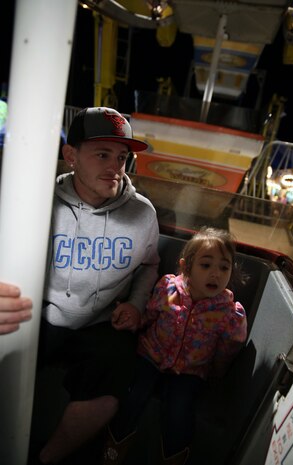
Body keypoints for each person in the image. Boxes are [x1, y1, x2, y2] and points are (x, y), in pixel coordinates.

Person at [1, 106, 160, 464]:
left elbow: (150, 265)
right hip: (36, 311)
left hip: (100, 321)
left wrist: (135, 303)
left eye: (122, 157)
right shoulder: (33, 204)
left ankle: (45, 459)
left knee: (116, 373)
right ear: (70, 155)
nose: (115, 167)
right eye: (102, 154)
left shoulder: (142, 214)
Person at [101, 227, 247, 465]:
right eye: (206, 265)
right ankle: (113, 448)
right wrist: (134, 323)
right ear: (186, 266)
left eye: (224, 267)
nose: (216, 275)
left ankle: (173, 458)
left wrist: (216, 374)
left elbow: (227, 349)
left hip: (190, 370)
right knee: (133, 395)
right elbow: (149, 315)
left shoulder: (229, 313)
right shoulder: (168, 288)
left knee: (179, 411)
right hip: (152, 354)